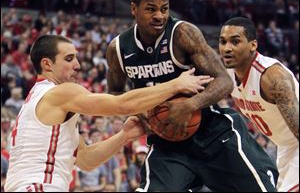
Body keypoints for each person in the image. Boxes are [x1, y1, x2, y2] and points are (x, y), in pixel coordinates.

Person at [106, 0, 279, 192]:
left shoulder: (182, 34)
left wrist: (189, 106)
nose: (159, 16)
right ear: (134, 9)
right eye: (151, 9)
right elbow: (114, 93)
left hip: (212, 132)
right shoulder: (118, 49)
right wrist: (142, 111)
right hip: (167, 141)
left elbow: (225, 80)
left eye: (164, 9)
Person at [4, 34, 211, 192]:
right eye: (69, 59)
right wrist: (175, 84)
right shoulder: (60, 92)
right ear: (47, 64)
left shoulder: (38, 102)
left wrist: (124, 136)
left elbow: (85, 160)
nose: (77, 65)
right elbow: (121, 104)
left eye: (76, 58)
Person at [219, 16, 299, 192]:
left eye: (235, 41)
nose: (227, 48)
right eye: (223, 42)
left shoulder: (272, 78)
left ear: (253, 45)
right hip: (285, 147)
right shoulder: (226, 76)